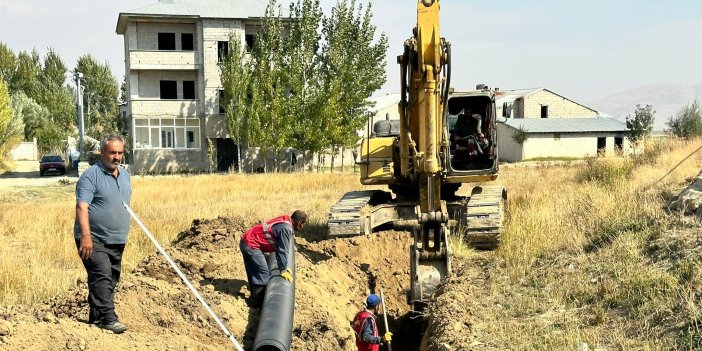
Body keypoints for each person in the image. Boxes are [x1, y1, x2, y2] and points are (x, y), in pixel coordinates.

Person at [74, 133, 131, 334]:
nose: (116, 157)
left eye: (120, 153)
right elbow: (82, 208)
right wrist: (86, 237)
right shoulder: (91, 175)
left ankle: (96, 317)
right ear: (102, 152)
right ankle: (108, 319)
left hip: (116, 239)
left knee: (111, 279)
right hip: (93, 238)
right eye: (112, 152)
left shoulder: (125, 176)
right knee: (102, 275)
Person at [239, 210, 307, 308]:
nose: (302, 227)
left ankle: (255, 299)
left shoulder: (285, 219)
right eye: (302, 224)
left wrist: (282, 265)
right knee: (263, 273)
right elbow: (283, 250)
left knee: (256, 271)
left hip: (248, 240)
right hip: (251, 244)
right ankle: (258, 305)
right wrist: (282, 269)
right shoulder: (286, 228)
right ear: (299, 222)